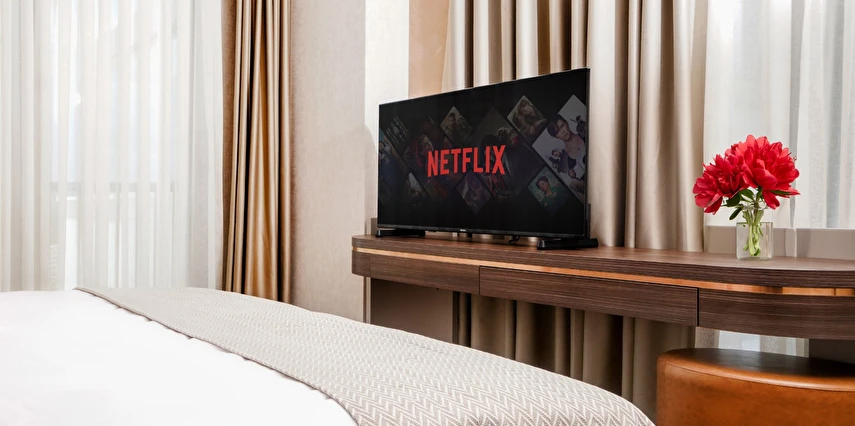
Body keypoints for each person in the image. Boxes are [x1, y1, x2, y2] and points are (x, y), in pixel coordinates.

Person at [546, 114, 586, 181]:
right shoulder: (567, 162)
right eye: (557, 131)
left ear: (566, 123)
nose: (562, 132)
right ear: (556, 136)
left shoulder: (585, 133)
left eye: (562, 126)